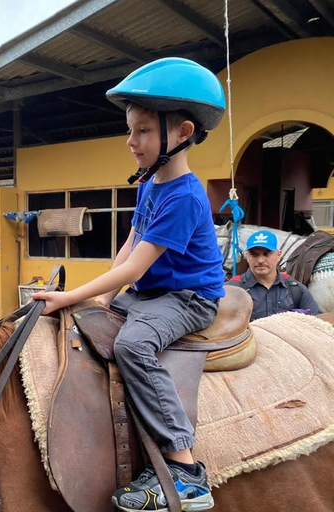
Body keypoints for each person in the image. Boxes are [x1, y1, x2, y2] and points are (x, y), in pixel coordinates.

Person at [33, 57, 226, 511]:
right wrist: (97, 301)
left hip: (187, 298)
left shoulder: (184, 195)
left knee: (133, 345)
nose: (130, 141)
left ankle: (185, 471)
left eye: (141, 130)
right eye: (130, 130)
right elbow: (127, 248)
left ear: (180, 133)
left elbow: (135, 268)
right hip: (149, 291)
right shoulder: (149, 183)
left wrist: (69, 294)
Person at [228, 230, 320, 320]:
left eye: (267, 254)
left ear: (279, 255)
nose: (260, 260)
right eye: (254, 254)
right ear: (247, 256)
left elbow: (316, 322)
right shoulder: (232, 289)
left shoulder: (295, 289)